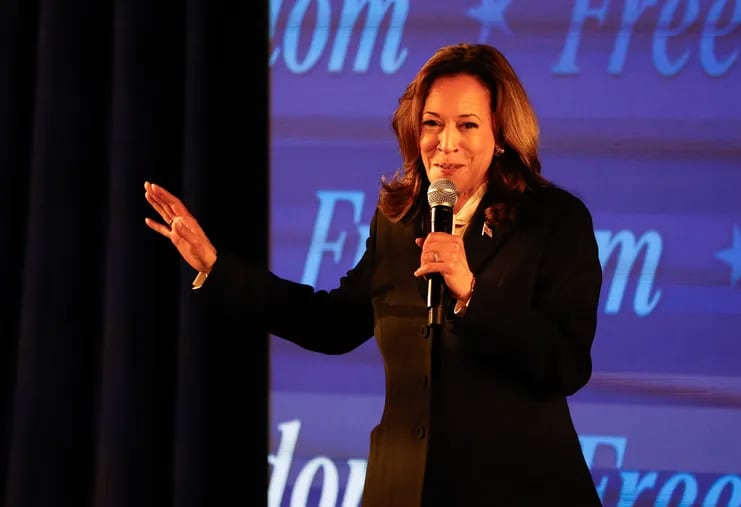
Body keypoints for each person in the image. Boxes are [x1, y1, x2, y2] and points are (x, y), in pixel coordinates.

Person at [144, 43, 603, 506]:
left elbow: (566, 365)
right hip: (403, 488)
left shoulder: (553, 220)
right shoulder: (400, 222)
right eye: (432, 124)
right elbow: (331, 323)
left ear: (500, 134)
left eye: (467, 125)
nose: (446, 143)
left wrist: (471, 292)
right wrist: (216, 267)